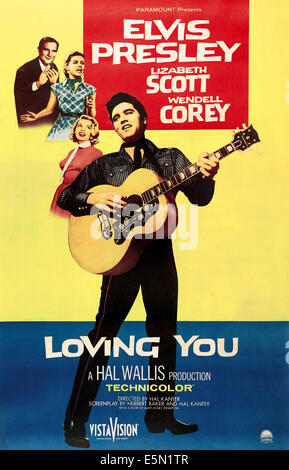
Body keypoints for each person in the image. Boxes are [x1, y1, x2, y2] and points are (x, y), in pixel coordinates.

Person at [57, 92, 220, 448]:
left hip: (159, 255)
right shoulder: (104, 165)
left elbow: (200, 197)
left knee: (164, 337)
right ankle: (75, 420)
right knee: (102, 335)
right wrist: (91, 198)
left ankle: (159, 416)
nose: (122, 120)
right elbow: (66, 198)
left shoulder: (170, 158)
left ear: (143, 117)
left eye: (128, 112)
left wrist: (208, 174)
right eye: (116, 117)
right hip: (119, 258)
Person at [21, 52, 96, 141]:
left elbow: (92, 115)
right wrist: (36, 116)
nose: (79, 66)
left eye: (82, 63)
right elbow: (50, 109)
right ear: (67, 67)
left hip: (80, 127)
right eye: (75, 62)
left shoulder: (90, 89)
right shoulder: (57, 87)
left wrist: (90, 108)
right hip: (61, 127)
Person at [50, 115, 103, 218]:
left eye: (88, 127)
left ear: (92, 132)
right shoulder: (71, 152)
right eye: (79, 126)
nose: (82, 129)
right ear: (74, 129)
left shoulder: (96, 153)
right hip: (60, 193)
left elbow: (98, 181)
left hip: (76, 196)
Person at [14, 37, 59, 127]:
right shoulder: (23, 70)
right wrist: (37, 84)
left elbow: (55, 99)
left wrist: (55, 85)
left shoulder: (54, 67)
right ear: (39, 50)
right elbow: (19, 96)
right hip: (31, 122)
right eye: (46, 50)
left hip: (50, 121)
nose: (50, 54)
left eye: (54, 51)